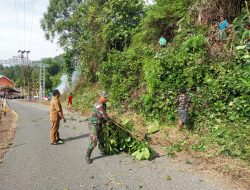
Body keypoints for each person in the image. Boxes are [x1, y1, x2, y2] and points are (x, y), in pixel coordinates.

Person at [85, 91, 111, 164]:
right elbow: (103, 114)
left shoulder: (104, 104)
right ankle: (87, 156)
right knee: (93, 141)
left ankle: (103, 150)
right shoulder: (98, 105)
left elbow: (105, 114)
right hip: (93, 124)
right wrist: (109, 121)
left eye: (107, 97)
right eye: (105, 97)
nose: (107, 98)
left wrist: (107, 120)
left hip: (99, 124)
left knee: (101, 138)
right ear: (101, 97)